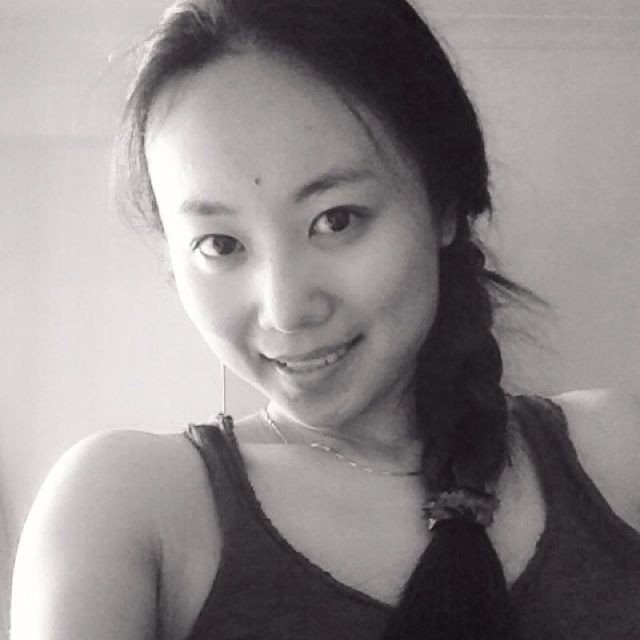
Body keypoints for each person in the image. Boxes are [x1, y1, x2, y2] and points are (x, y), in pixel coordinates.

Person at [10, 0, 640, 638]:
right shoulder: (129, 510)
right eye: (220, 244)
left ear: (444, 203)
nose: (285, 310)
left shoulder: (618, 454)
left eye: (336, 220)